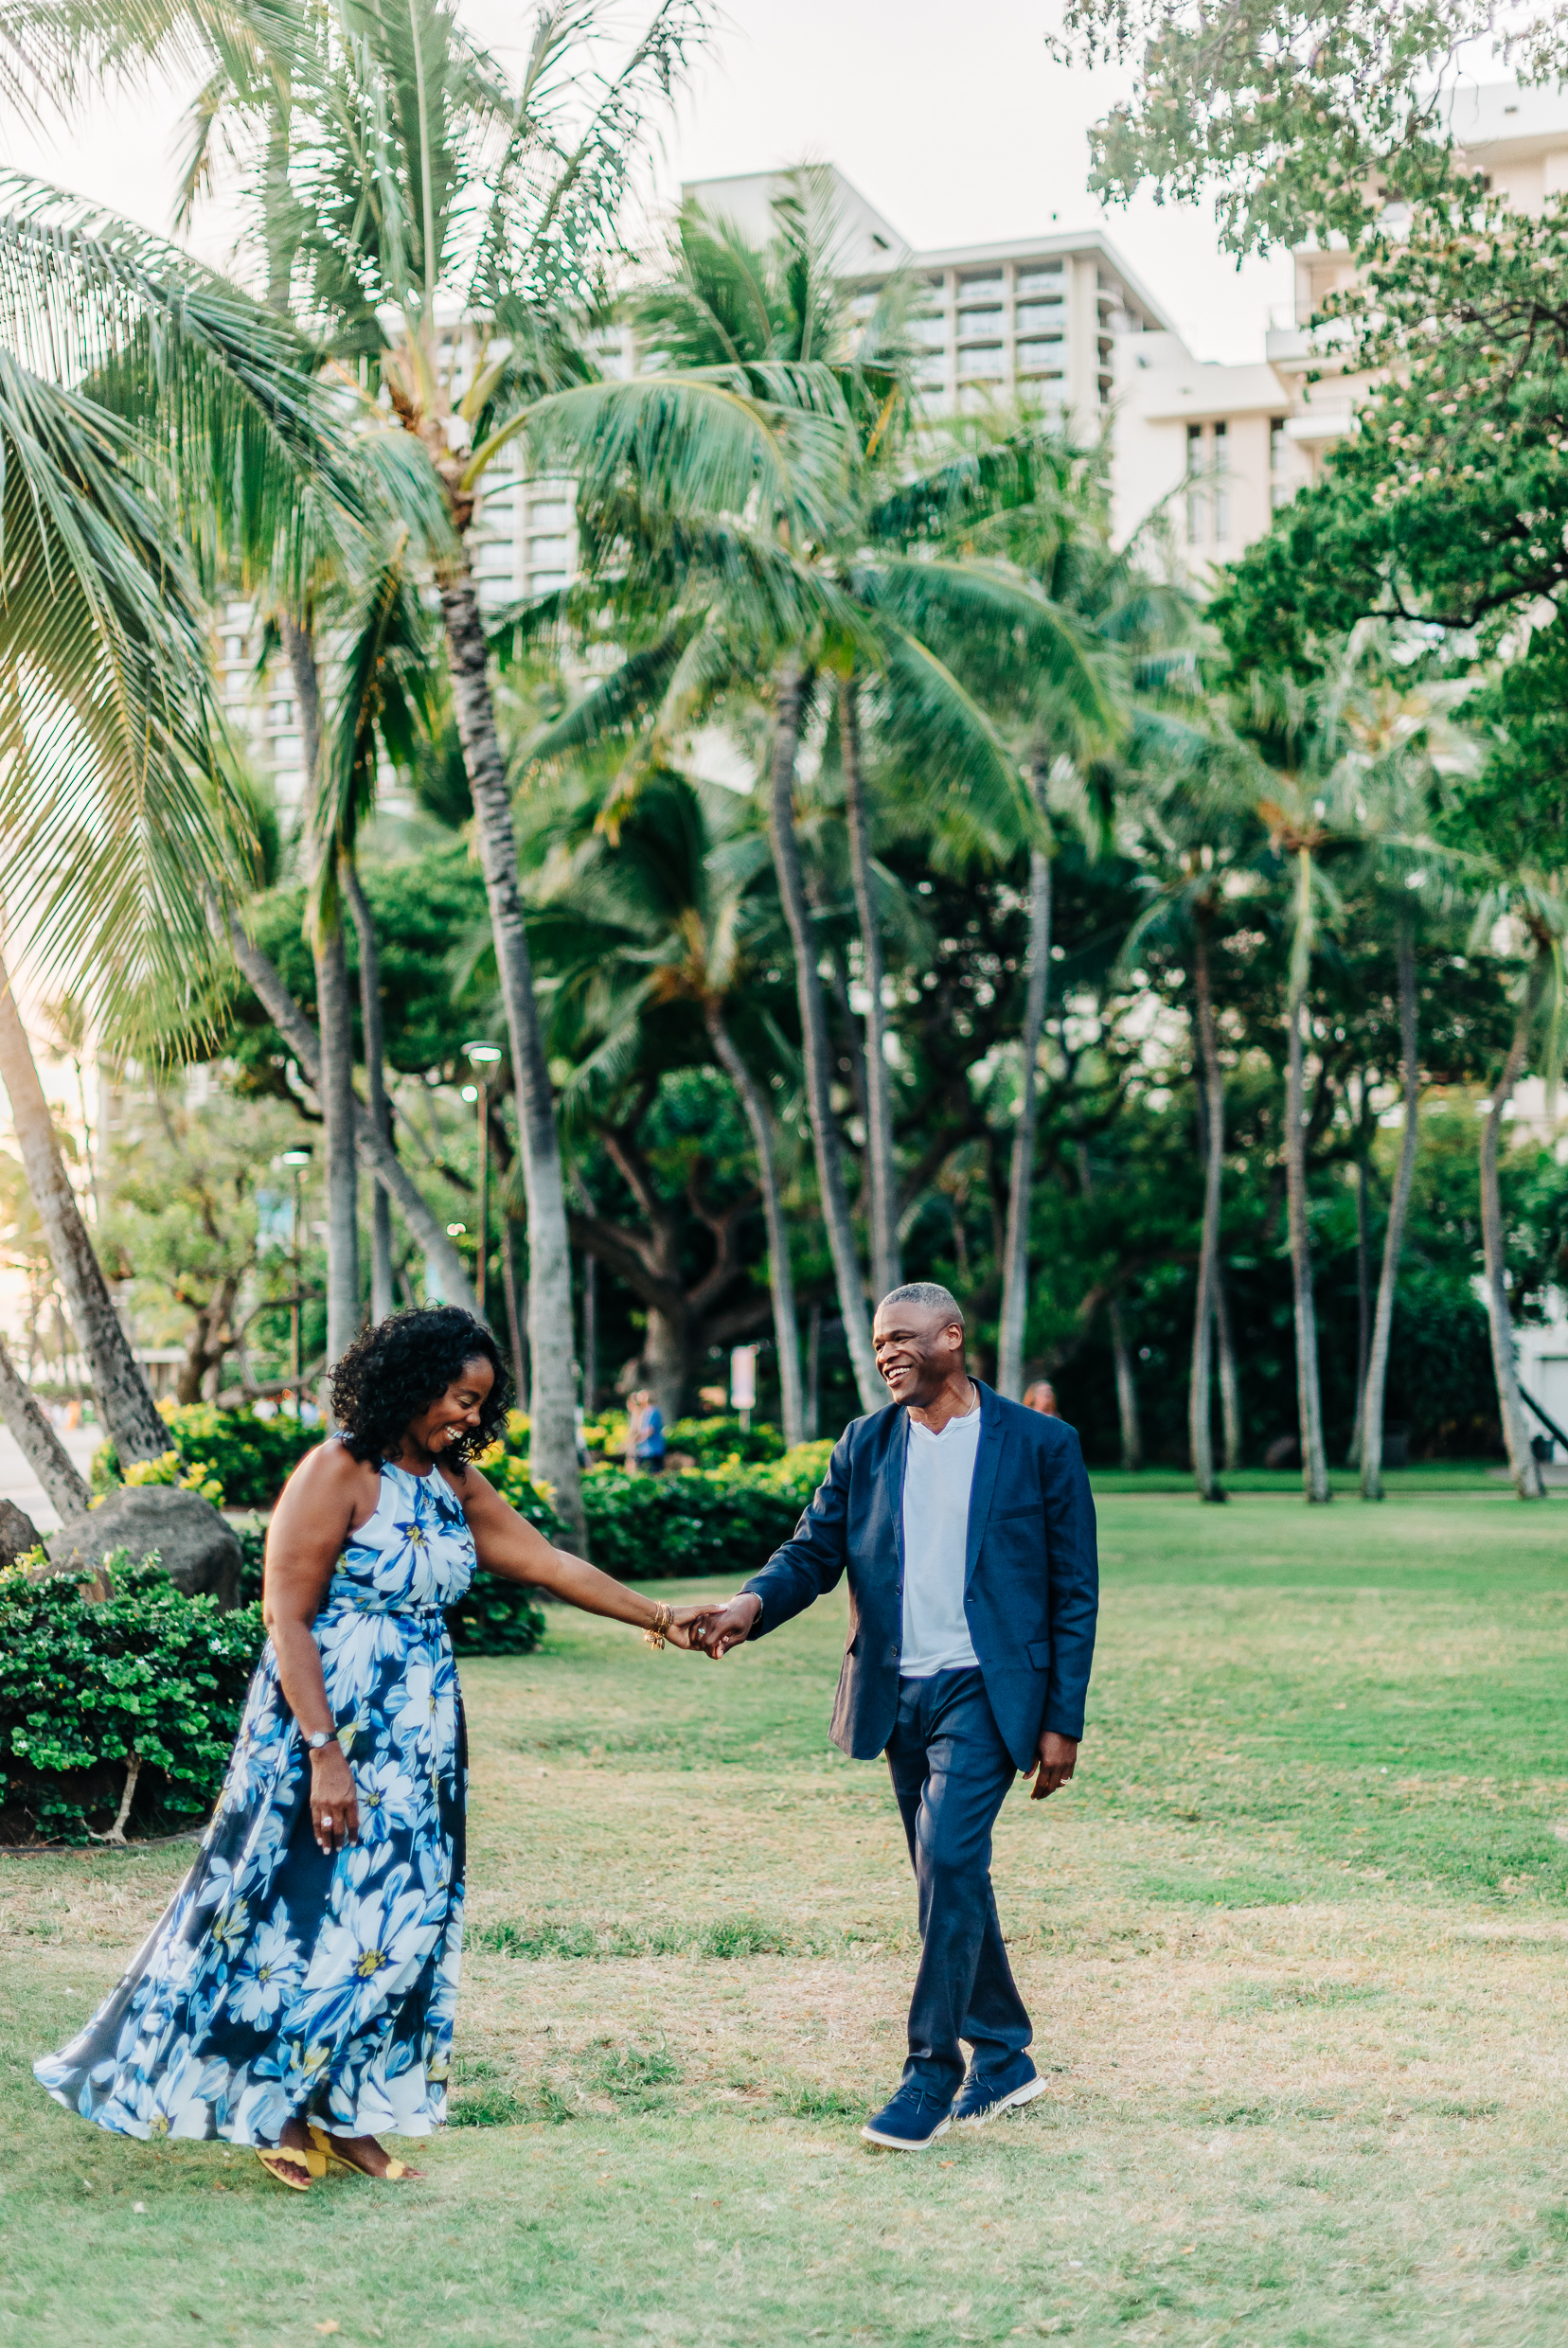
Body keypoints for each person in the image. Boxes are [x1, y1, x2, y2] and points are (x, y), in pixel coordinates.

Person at [35, 1307, 709, 2191]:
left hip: (419, 1739)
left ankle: (347, 2111)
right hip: (322, 1727)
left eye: (481, 1404)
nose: (470, 1417)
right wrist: (323, 1752)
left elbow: (548, 1563)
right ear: (412, 1379)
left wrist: (665, 1617)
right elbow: (287, 1617)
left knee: (406, 1918)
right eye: (460, 1398)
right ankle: (277, 2104)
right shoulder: (337, 1471)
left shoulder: (450, 1483)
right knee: (294, 1913)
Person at [691, 1282, 1098, 2153]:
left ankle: (929, 2072)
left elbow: (1074, 1591)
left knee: (949, 1857)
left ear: (953, 1338)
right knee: (946, 1875)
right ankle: (1007, 2053)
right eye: (880, 1343)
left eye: (906, 1338)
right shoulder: (865, 1445)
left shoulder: (1041, 1445)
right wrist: (746, 1608)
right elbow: (812, 1552)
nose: (889, 1355)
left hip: (988, 1694)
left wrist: (1063, 1721)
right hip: (895, 1691)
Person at [629, 1389, 667, 1475]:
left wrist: (637, 1440)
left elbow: (650, 1430)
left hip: (652, 1449)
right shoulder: (645, 1411)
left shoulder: (652, 1411)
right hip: (645, 1449)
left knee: (654, 1472)